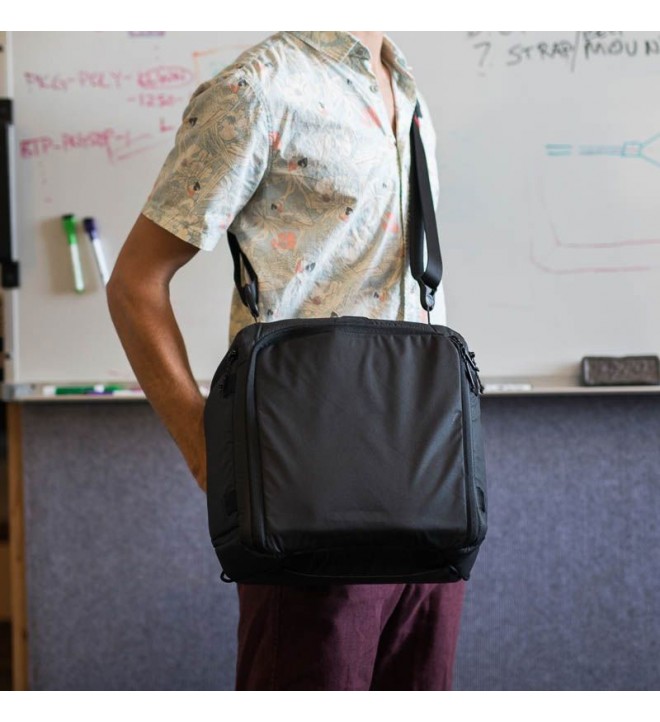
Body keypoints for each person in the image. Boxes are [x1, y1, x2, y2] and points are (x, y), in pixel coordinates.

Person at [107, 30, 465, 691]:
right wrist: (206, 450)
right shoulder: (257, 89)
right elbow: (136, 282)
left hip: (428, 481)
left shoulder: (403, 82)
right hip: (309, 488)